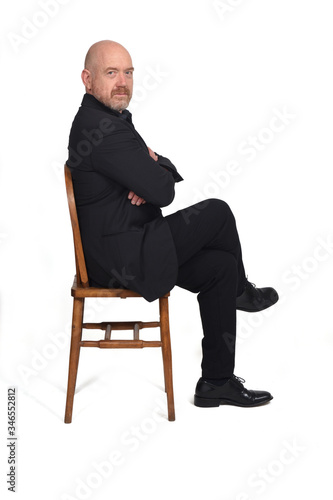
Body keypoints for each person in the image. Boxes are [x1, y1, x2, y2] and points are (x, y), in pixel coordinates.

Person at [67, 40, 279, 409]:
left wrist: (153, 166)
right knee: (217, 211)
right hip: (124, 257)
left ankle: (216, 381)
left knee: (220, 267)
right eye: (111, 72)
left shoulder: (111, 120)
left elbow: (158, 175)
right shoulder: (100, 129)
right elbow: (164, 192)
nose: (123, 82)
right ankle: (241, 293)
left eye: (128, 72)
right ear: (87, 79)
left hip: (135, 244)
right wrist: (151, 177)